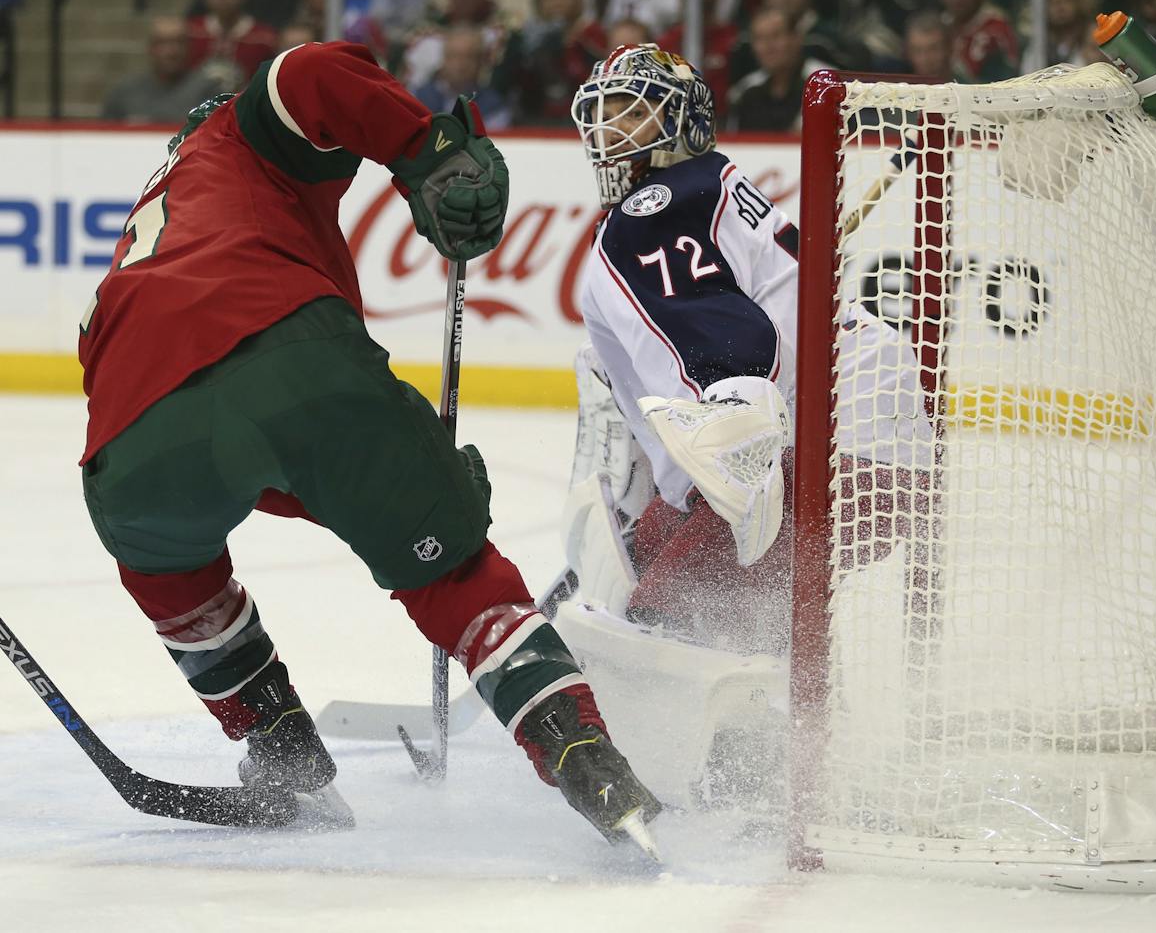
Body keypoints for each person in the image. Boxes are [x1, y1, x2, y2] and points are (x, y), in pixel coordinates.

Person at [77, 41, 660, 850]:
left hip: (126, 440)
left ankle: (277, 741)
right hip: (289, 349)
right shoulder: (239, 140)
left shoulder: (147, 231)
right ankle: (580, 749)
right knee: (455, 575)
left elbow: (218, 428)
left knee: (164, 562)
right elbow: (305, 73)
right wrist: (430, 149)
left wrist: (383, 479)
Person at [562, 42, 929, 652]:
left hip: (830, 459)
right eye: (604, 111)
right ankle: (770, 703)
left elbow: (734, 348)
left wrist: (734, 442)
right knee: (649, 572)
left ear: (681, 119)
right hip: (871, 461)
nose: (608, 128)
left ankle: (749, 728)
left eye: (631, 110)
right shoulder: (698, 190)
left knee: (669, 624)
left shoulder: (656, 208)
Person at [101, 16, 225, 124]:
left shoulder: (209, 92)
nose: (171, 51)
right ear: (150, 48)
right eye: (162, 43)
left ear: (189, 47)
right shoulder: (125, 92)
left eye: (178, 42)